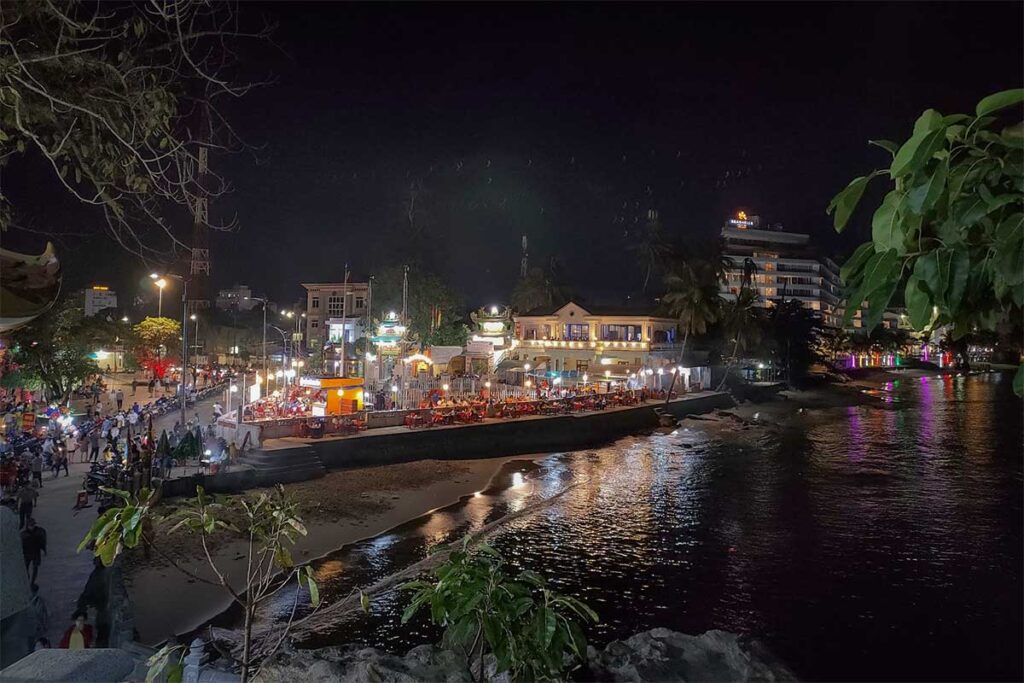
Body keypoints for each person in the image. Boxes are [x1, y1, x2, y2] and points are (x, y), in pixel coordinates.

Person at [21, 517, 46, 583]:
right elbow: (21, 544)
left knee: (35, 568)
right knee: (26, 568)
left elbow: (43, 541)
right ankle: (28, 580)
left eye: (33, 525)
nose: (32, 526)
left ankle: (32, 582)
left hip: (36, 552)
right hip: (27, 553)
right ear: (27, 525)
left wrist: (44, 549)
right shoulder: (23, 534)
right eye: (30, 525)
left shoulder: (39, 532)